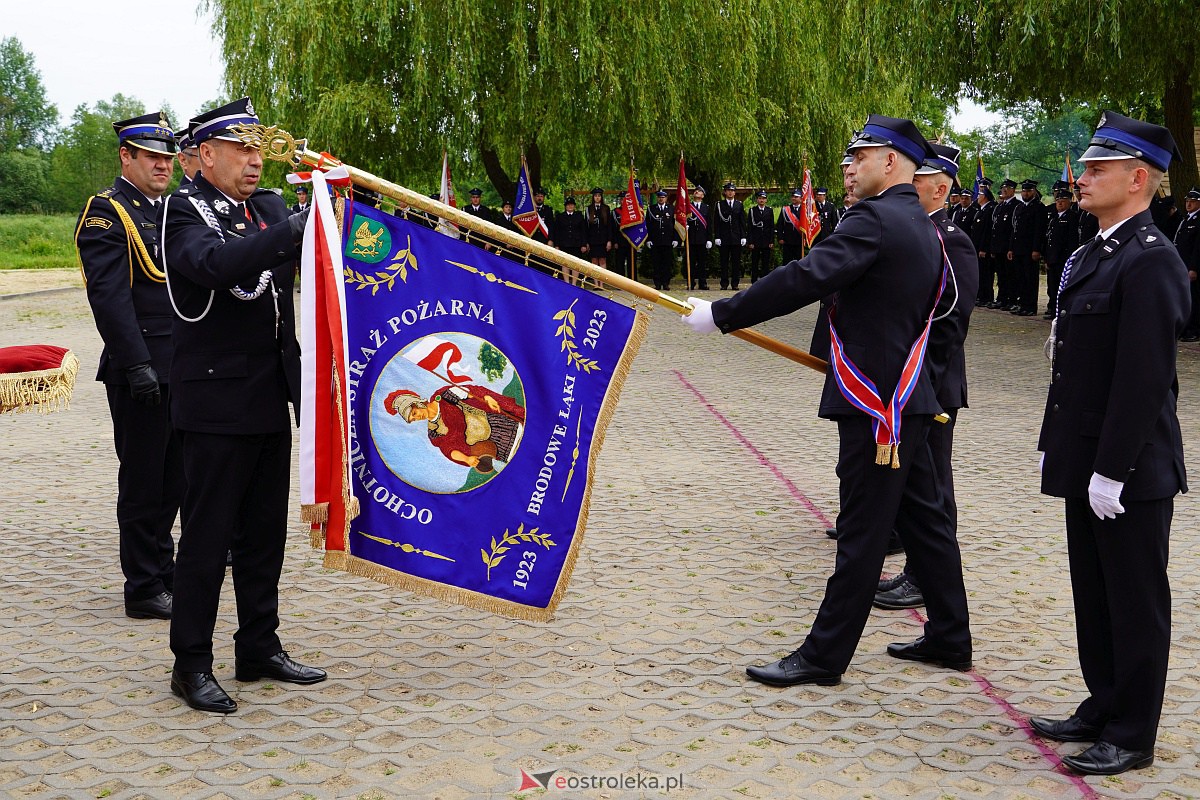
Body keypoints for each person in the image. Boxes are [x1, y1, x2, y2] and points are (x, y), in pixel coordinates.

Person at [681, 115, 971, 686]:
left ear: (891, 162)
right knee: (926, 522)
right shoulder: (917, 223)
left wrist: (723, 313)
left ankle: (822, 656)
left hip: (877, 407)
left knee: (863, 534)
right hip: (907, 397)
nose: (848, 166)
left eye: (859, 156)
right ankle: (950, 636)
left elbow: (805, 276)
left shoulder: (876, 218)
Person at [1032, 111, 1189, 776]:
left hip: (1129, 469)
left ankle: (1132, 733)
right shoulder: (1095, 250)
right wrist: (1055, 443)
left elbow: (1144, 378)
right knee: (1094, 595)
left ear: (1139, 178)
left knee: (1134, 601)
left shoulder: (1152, 260)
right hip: (1087, 458)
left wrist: (1113, 471)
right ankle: (1103, 703)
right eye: (1086, 165)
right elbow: (1071, 359)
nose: (1083, 176)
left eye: (1098, 168)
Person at [160, 97, 323, 714]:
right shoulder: (183, 211)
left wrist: (333, 215)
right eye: (243, 149)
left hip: (267, 399)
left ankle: (258, 645)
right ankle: (190, 664)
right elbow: (214, 264)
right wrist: (292, 230)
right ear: (207, 155)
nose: (256, 162)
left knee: (264, 535)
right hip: (213, 404)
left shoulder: (267, 210)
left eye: (260, 149)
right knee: (206, 539)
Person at [75, 111, 183, 622]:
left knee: (176, 478)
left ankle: (165, 570)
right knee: (144, 481)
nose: (163, 166)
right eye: (152, 157)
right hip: (140, 369)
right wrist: (137, 363)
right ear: (127, 156)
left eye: (167, 157)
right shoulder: (108, 212)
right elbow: (110, 298)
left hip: (181, 365)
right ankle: (142, 585)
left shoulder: (166, 209)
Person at [874, 142, 979, 611]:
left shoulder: (950, 238)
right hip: (907, 381)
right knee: (915, 484)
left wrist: (923, 379)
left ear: (939, 188)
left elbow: (951, 321)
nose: (905, 186)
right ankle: (918, 569)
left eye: (914, 181)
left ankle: (925, 576)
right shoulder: (914, 232)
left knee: (934, 486)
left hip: (931, 382)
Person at [384, 384, 526, 472]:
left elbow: (470, 392)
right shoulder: (433, 431)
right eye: (412, 419)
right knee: (522, 461)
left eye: (414, 413)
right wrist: (466, 459)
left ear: (417, 403)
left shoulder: (442, 397)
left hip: (497, 424)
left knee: (531, 436)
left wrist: (487, 397)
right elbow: (449, 450)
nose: (416, 418)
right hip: (491, 446)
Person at [1008, 179, 1046, 316]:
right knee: (1020, 278)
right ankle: (1022, 304)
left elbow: (1039, 230)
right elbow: (1015, 229)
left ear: (1034, 191)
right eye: (1024, 190)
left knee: (1030, 278)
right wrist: (1011, 248)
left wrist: (1036, 249)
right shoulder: (1019, 207)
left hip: (1030, 249)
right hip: (1018, 248)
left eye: (1029, 190)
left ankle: (1030, 306)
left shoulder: (1039, 207)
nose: (1026, 193)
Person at [1042, 187, 1080, 319]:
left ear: (1069, 202)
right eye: (1057, 200)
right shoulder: (1054, 218)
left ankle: (1061, 312)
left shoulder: (1072, 217)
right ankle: (1053, 311)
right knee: (1052, 287)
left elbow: (1071, 241)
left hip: (1063, 258)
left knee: (1062, 287)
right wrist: (1047, 257)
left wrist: (1069, 259)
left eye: (1063, 201)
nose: (1059, 203)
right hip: (1052, 258)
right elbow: (1049, 240)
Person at [1174, 188, 1200, 341]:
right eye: (1187, 201)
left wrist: (1194, 268)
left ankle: (1194, 329)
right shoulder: (1187, 219)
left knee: (1193, 299)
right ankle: (1185, 327)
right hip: (1181, 264)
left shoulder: (1197, 221)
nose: (1188, 204)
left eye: (1192, 201)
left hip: (1191, 266)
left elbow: (1197, 247)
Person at [989, 178, 1018, 309]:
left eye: (1007, 188)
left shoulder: (1015, 206)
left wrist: (1011, 247)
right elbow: (995, 228)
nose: (1004, 190)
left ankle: (1011, 299)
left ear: (1013, 190)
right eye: (1003, 188)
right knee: (1000, 275)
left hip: (1007, 247)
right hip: (998, 247)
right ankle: (1001, 298)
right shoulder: (1000, 206)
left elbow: (1013, 229)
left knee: (1010, 275)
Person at [713, 182, 746, 289]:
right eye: (728, 190)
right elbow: (716, 222)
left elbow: (742, 222)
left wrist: (743, 236)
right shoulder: (719, 205)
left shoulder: (739, 204)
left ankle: (735, 284)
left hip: (736, 237)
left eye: (732, 190)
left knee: (736, 262)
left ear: (734, 192)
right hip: (724, 237)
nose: (730, 192)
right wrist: (717, 236)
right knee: (724, 262)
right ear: (725, 192)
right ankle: (724, 284)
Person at [646, 189, 678, 290]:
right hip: (656, 241)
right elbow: (648, 225)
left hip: (668, 241)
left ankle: (666, 283)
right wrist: (648, 239)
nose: (661, 199)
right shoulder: (651, 209)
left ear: (666, 198)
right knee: (656, 263)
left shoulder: (671, 209)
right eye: (659, 197)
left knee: (667, 263)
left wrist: (675, 238)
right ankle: (657, 284)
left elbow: (675, 225)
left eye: (663, 197)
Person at [553, 195, 588, 286]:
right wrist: (556, 245)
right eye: (568, 205)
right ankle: (566, 282)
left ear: (574, 206)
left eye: (572, 205)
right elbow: (557, 231)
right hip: (564, 244)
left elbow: (583, 231)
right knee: (565, 263)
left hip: (576, 244)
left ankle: (574, 283)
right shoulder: (560, 216)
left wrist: (583, 244)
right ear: (565, 206)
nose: (570, 206)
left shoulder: (579, 216)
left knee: (575, 264)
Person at [971, 182, 996, 306]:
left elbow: (987, 231)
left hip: (983, 249)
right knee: (979, 273)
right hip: (976, 247)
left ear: (985, 196)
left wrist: (983, 248)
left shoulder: (989, 210)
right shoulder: (981, 210)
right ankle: (980, 296)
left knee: (986, 274)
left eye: (980, 194)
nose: (977, 197)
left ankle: (987, 297)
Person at [686, 186, 712, 290]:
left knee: (702, 263)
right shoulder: (688, 207)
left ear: (703, 195)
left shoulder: (706, 207)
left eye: (700, 191)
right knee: (691, 262)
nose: (697, 192)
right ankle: (690, 282)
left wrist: (709, 239)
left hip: (702, 239)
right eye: (696, 191)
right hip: (691, 238)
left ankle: (703, 283)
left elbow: (709, 224)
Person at [747, 190, 775, 283]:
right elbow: (750, 227)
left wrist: (771, 241)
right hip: (755, 241)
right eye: (760, 198)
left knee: (765, 263)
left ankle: (765, 281)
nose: (761, 200)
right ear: (757, 200)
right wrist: (750, 242)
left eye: (763, 198)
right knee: (755, 262)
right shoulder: (752, 210)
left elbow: (771, 227)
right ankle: (754, 281)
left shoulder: (769, 210)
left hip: (766, 241)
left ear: (766, 200)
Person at [777, 188, 807, 263]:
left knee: (799, 262)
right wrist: (780, 237)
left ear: (801, 198)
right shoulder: (786, 209)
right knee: (787, 262)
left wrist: (806, 238)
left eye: (796, 197)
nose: (794, 198)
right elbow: (780, 225)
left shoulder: (805, 210)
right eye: (793, 196)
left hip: (800, 240)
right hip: (788, 241)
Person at [584, 187, 611, 270]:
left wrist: (609, 241)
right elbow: (586, 227)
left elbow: (609, 226)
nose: (597, 197)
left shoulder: (606, 208)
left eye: (599, 196)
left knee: (603, 261)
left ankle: (601, 283)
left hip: (603, 240)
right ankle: (596, 283)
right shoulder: (588, 209)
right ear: (593, 197)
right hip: (593, 241)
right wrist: (587, 242)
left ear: (601, 197)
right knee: (594, 261)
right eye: (595, 196)